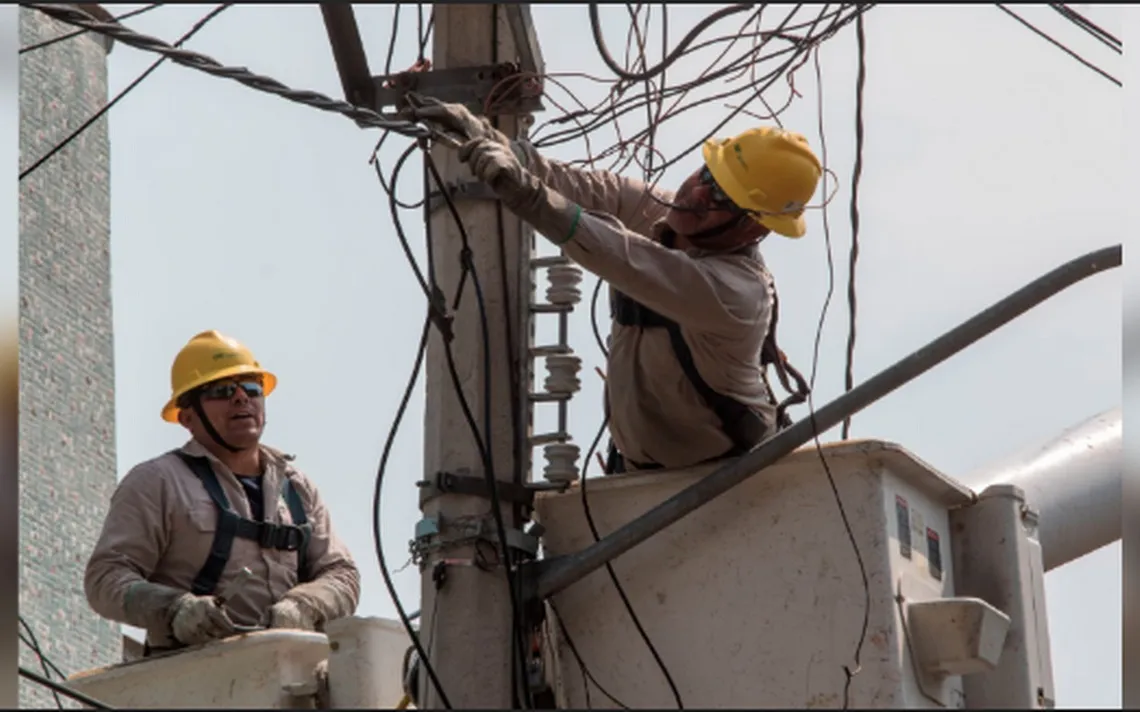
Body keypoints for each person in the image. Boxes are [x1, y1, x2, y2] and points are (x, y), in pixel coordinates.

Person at [408, 98, 819, 473]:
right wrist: (494, 142)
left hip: (729, 483)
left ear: (753, 228)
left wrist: (526, 193)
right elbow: (580, 187)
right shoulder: (671, 212)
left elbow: (619, 254)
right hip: (639, 480)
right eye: (707, 174)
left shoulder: (737, 293)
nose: (696, 194)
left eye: (722, 198)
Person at [85, 330, 360, 655]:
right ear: (188, 417)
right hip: (191, 679)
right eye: (222, 390)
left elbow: (342, 574)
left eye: (252, 388)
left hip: (289, 673)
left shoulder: (296, 487)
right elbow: (105, 578)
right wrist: (175, 609)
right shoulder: (158, 482)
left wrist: (304, 606)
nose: (242, 398)